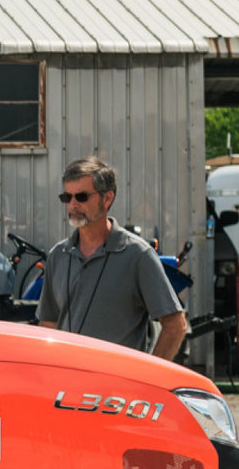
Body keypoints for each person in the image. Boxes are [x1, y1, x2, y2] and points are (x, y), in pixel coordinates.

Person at [38, 155, 187, 362]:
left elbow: (175, 324)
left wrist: (150, 379)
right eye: (67, 197)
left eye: (81, 197)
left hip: (116, 391)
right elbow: (49, 325)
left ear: (107, 199)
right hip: (67, 387)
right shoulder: (57, 255)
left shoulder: (138, 255)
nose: (72, 205)